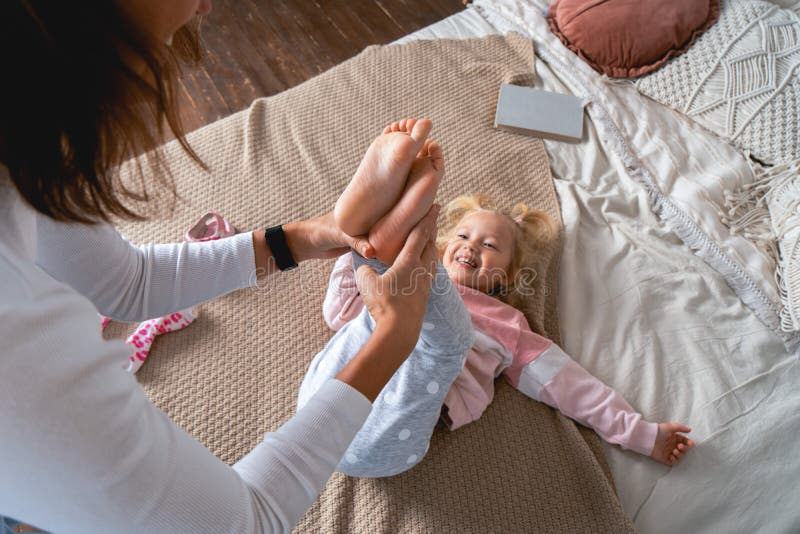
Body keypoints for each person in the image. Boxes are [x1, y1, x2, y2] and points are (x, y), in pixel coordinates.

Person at [0, 1, 440, 532]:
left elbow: (125, 283)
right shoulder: (15, 349)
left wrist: (305, 236)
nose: (208, 4)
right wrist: (395, 334)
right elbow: (243, 521)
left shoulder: (26, 132)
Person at [299, 120, 696, 477]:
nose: (472, 247)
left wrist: (640, 434)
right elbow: (339, 313)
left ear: (504, 277)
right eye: (463, 236)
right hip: (320, 404)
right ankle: (366, 233)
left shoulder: (507, 325)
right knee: (374, 309)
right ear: (443, 246)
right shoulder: (406, 279)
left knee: (429, 333)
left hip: (390, 433)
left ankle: (387, 225)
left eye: (490, 245)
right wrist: (354, 260)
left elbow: (571, 385)